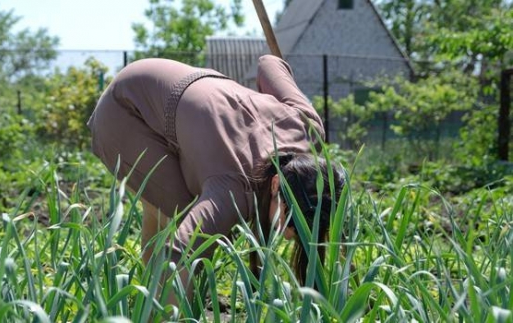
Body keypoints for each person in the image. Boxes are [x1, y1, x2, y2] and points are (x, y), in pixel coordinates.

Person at [87, 54, 345, 300]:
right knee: (188, 223)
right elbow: (178, 256)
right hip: (126, 110)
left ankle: (150, 295)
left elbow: (271, 63)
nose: (287, 235)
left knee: (168, 216)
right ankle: (160, 309)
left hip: (172, 91)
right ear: (276, 184)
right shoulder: (233, 188)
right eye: (289, 221)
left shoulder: (307, 126)